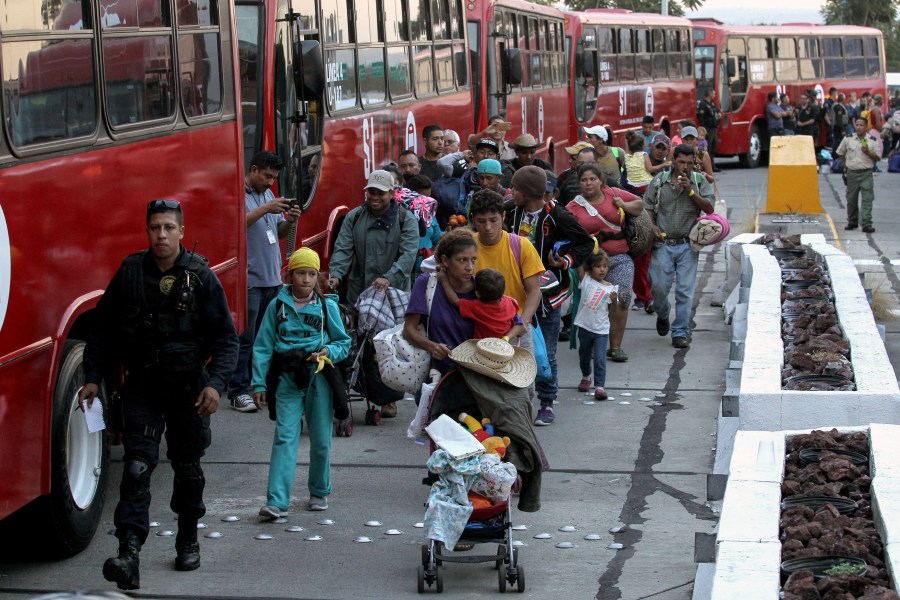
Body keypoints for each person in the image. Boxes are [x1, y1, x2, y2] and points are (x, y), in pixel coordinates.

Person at [79, 199, 239, 590]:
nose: (161, 235)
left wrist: (215, 385)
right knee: (135, 470)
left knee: (187, 471)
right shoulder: (131, 272)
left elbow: (227, 338)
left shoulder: (200, 276)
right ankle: (128, 553)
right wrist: (94, 377)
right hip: (143, 388)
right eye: (155, 228)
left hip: (188, 389)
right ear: (147, 231)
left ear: (181, 231)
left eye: (169, 227)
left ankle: (188, 538)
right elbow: (102, 329)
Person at [252, 248, 351, 518]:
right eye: (300, 273)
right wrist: (258, 383)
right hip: (286, 377)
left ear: (317, 277)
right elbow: (263, 346)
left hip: (317, 377)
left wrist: (328, 352)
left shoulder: (326, 306)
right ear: (289, 276)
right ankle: (276, 501)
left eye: (311, 274)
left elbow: (343, 342)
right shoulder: (277, 306)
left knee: (320, 439)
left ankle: (319, 490)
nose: (305, 279)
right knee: (285, 436)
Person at [506, 166, 594, 426]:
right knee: (513, 350)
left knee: (546, 352)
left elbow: (586, 243)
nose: (512, 192)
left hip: (547, 297)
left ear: (529, 192)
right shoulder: (511, 211)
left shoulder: (557, 215)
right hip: (514, 294)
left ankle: (546, 402)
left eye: (516, 188)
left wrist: (565, 261)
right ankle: (516, 401)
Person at [327, 169, 419, 415]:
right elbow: (343, 248)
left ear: (391, 193)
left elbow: (409, 255)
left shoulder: (405, 219)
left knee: (387, 348)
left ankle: (388, 398)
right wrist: (335, 275)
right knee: (358, 346)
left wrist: (388, 278)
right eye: (371, 192)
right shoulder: (355, 217)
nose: (374, 197)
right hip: (359, 294)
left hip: (393, 297)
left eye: (380, 192)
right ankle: (358, 389)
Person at [227, 151, 302, 413]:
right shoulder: (240, 194)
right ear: (254, 169)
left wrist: (289, 221)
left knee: (268, 337)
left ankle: (261, 385)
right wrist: (265, 209)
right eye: (267, 176)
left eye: (274, 178)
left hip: (272, 277)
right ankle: (237, 390)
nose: (270, 182)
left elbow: (278, 233)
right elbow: (236, 226)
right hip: (250, 279)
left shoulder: (268, 194)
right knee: (245, 338)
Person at [566, 163, 643, 362]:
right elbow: (564, 231)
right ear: (579, 183)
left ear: (601, 180)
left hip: (619, 259)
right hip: (590, 265)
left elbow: (639, 205)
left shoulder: (613, 193)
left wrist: (623, 205)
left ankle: (615, 347)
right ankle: (593, 342)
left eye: (593, 179)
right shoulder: (573, 207)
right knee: (594, 303)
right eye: (584, 180)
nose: (588, 183)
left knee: (622, 297)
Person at [644, 144, 714, 349]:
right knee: (658, 289)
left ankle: (680, 332)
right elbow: (647, 206)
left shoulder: (699, 181)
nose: (685, 166)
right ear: (673, 161)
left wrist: (691, 192)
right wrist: (652, 226)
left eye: (689, 163)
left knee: (685, 290)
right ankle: (663, 313)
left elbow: (709, 209)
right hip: (663, 244)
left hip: (687, 245)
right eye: (681, 162)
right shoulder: (659, 181)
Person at [403, 229, 478, 375]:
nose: (469, 267)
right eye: (462, 260)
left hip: (473, 378)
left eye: (473, 260)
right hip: (434, 377)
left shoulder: (480, 290)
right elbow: (409, 329)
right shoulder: (426, 283)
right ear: (445, 260)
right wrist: (432, 347)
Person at [574, 250, 617, 401]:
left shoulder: (611, 288)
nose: (602, 269)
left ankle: (600, 386)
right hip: (585, 327)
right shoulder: (585, 281)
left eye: (605, 266)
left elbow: (613, 312)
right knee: (584, 356)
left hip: (601, 330)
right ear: (590, 268)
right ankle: (586, 376)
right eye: (598, 266)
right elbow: (577, 262)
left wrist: (615, 300)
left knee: (599, 358)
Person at [440, 268, 522, 340]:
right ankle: (506, 337)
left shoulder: (477, 307)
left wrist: (444, 280)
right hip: (504, 346)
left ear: (477, 294)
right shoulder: (510, 302)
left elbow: (454, 300)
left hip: (482, 348)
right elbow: (519, 321)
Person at [837, 117, 881, 233]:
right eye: (857, 124)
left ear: (866, 127)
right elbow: (840, 152)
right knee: (851, 199)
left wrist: (868, 152)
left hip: (866, 173)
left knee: (867, 199)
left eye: (861, 125)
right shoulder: (848, 139)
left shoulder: (872, 140)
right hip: (852, 173)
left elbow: (878, 157)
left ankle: (866, 223)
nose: (859, 127)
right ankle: (852, 221)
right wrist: (845, 165)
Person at [696, 88, 721, 171]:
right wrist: (704, 130)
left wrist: (719, 114)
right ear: (709, 94)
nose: (714, 95)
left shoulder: (712, 103)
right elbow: (701, 117)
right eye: (713, 93)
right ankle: (707, 167)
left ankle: (712, 166)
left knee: (713, 148)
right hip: (708, 129)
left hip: (713, 129)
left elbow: (717, 110)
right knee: (708, 149)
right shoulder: (703, 104)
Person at [623, 130, 654, 195]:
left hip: (632, 185)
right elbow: (650, 169)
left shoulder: (627, 157)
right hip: (646, 185)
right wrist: (663, 165)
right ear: (643, 146)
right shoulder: (643, 154)